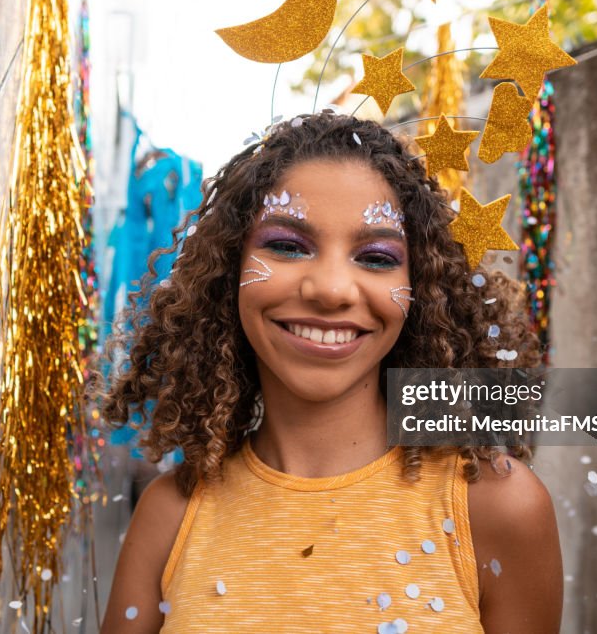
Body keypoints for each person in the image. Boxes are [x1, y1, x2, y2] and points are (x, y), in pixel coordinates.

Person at [96, 112, 562, 633]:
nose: (332, 289)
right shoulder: (171, 515)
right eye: (289, 246)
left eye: (377, 257)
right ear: (228, 272)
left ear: (424, 290)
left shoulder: (498, 507)